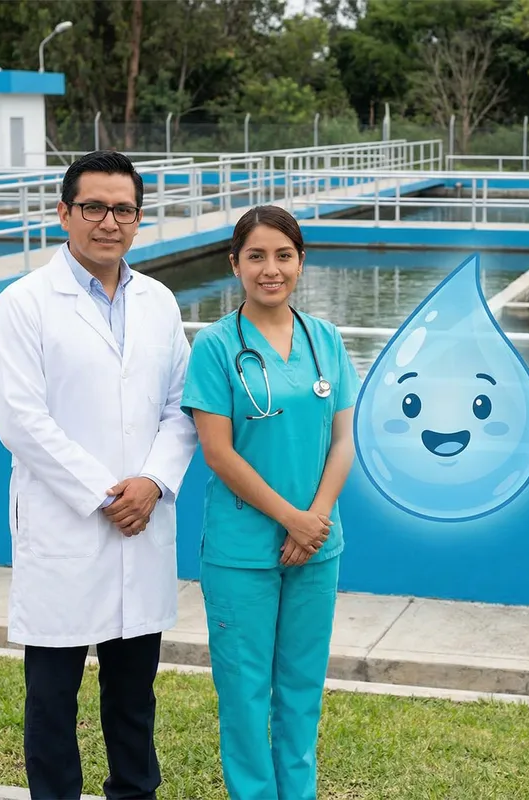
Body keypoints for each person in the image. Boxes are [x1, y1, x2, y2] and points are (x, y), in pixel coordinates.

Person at [0, 150, 198, 800]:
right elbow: (20, 420)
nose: (110, 222)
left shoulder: (159, 302)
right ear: (64, 214)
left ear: (138, 218)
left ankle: (135, 793)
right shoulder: (23, 304)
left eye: (124, 209)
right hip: (67, 526)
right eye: (95, 208)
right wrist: (106, 493)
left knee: (134, 696)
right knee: (52, 697)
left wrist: (153, 482)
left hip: (143, 519)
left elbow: (181, 407)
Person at [180, 204, 360, 799]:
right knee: (244, 694)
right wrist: (291, 519)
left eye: (283, 255)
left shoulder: (326, 339)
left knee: (302, 691)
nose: (270, 269)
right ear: (235, 264)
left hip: (316, 546)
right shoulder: (214, 345)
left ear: (301, 262)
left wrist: (316, 521)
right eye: (256, 256)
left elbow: (343, 440)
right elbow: (219, 453)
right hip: (242, 551)